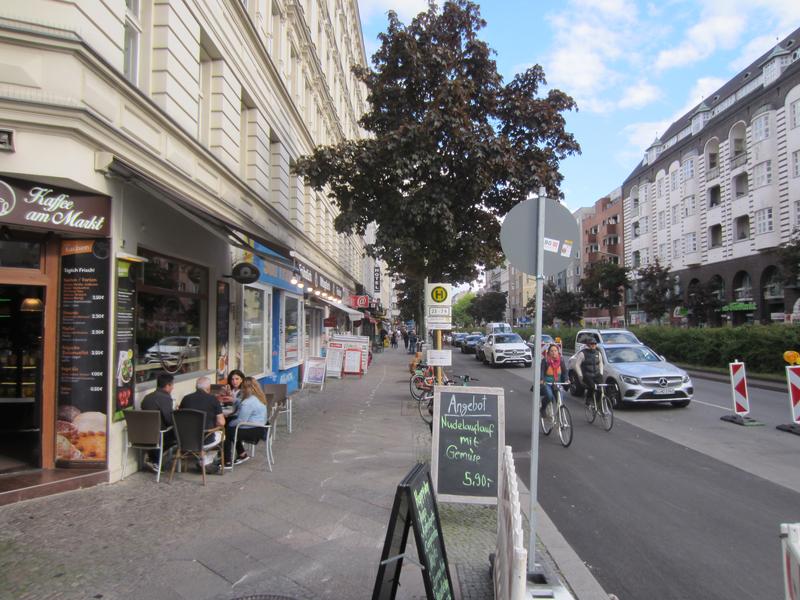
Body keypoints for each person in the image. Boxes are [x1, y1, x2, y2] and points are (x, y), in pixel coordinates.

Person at [223, 377, 268, 468]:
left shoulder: (247, 402)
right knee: (231, 428)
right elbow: (244, 404)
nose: (242, 390)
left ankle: (227, 461)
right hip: (260, 427)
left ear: (248, 389)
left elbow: (241, 421)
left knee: (227, 431)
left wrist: (229, 424)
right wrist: (234, 400)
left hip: (253, 430)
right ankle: (242, 454)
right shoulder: (258, 397)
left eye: (243, 388)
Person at [180, 376, 225, 465]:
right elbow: (221, 422)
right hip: (206, 439)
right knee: (222, 433)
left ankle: (203, 457)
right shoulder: (213, 399)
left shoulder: (186, 399)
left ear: (196, 387)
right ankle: (208, 458)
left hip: (187, 440)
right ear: (208, 388)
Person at [140, 372, 176, 467]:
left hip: (142, 435)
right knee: (178, 433)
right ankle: (155, 460)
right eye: (172, 385)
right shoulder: (166, 398)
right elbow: (169, 420)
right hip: (159, 436)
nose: (173, 388)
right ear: (168, 385)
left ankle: (151, 456)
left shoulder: (147, 398)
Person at [573, 338, 604, 407]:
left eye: (595, 344)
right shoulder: (582, 353)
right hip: (587, 375)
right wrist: (580, 375)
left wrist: (601, 373)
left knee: (601, 388)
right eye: (591, 344)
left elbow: (601, 363)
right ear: (588, 344)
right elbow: (577, 365)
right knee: (592, 387)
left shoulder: (598, 353)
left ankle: (598, 403)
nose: (593, 345)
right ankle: (588, 400)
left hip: (596, 374)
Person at [539, 344, 568, 417]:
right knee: (549, 396)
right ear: (548, 352)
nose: (554, 352)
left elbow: (564, 372)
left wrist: (567, 379)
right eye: (551, 351)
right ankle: (543, 408)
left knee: (560, 400)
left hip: (557, 383)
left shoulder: (561, 360)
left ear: (558, 352)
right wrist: (542, 379)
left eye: (555, 351)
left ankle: (560, 418)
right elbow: (542, 371)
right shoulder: (545, 360)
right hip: (547, 383)